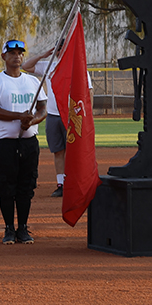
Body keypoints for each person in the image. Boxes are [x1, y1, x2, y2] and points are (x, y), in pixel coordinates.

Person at [0, 39, 47, 245]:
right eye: (12, 53)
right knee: (6, 186)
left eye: (20, 53)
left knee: (26, 186)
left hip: (29, 142)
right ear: (4, 56)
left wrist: (32, 121)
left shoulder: (33, 82)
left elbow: (42, 109)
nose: (16, 56)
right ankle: (9, 228)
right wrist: (19, 117)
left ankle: (23, 228)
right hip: (5, 143)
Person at [22, 47, 93, 198]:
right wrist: (43, 54)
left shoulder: (79, 68)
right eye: (59, 50)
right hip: (53, 115)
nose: (61, 53)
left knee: (73, 152)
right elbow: (26, 66)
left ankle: (75, 183)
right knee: (58, 151)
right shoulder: (49, 66)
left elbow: (89, 91)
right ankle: (61, 184)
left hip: (72, 116)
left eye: (64, 50)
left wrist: (86, 115)